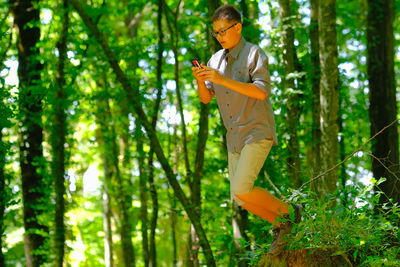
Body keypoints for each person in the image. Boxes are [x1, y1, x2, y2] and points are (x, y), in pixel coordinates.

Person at [192, 4, 302, 255]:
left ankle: (291, 212)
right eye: (215, 33)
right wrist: (202, 81)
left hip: (256, 130)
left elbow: (261, 91)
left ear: (238, 27)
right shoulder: (215, 60)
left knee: (242, 188)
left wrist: (222, 79)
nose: (219, 37)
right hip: (234, 137)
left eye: (223, 31)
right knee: (240, 197)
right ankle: (283, 224)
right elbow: (206, 98)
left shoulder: (254, 53)